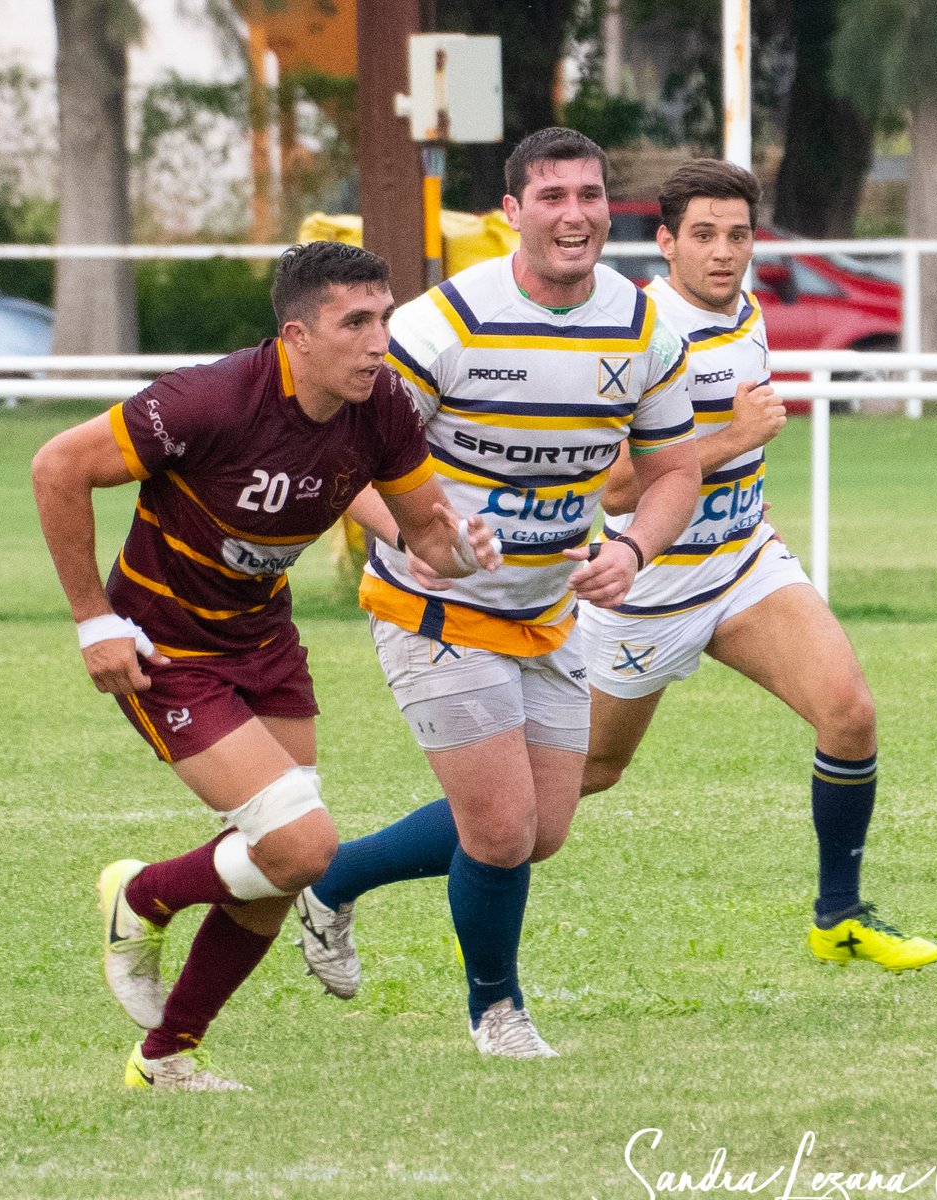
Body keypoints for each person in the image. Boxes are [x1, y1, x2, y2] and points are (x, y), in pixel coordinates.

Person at [296, 158, 937, 1005]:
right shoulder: (642, 325)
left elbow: (706, 459)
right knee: (558, 795)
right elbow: (619, 488)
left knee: (849, 712)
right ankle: (339, 876)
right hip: (640, 588)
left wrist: (741, 486)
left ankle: (839, 912)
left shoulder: (744, 313)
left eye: (739, 234)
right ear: (664, 242)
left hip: (742, 559)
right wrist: (731, 439)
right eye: (702, 235)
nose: (723, 253)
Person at [31, 241, 499, 1091]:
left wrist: (462, 548)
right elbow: (57, 466)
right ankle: (141, 896)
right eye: (353, 323)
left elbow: (428, 531)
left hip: (263, 638)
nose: (377, 340)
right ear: (296, 335)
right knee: (301, 843)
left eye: (384, 319)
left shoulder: (382, 404)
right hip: (164, 643)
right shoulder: (206, 400)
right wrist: (91, 620)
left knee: (280, 866)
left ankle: (166, 1056)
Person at [297, 127, 702, 1059]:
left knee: (540, 829)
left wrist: (635, 548)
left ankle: (331, 881)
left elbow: (674, 468)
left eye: (590, 196)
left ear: (611, 208)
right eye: (551, 197)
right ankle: (497, 1009)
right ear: (511, 212)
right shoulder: (447, 326)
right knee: (501, 826)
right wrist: (416, 535)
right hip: (431, 606)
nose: (575, 215)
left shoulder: (644, 328)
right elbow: (343, 456)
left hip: (548, 610)